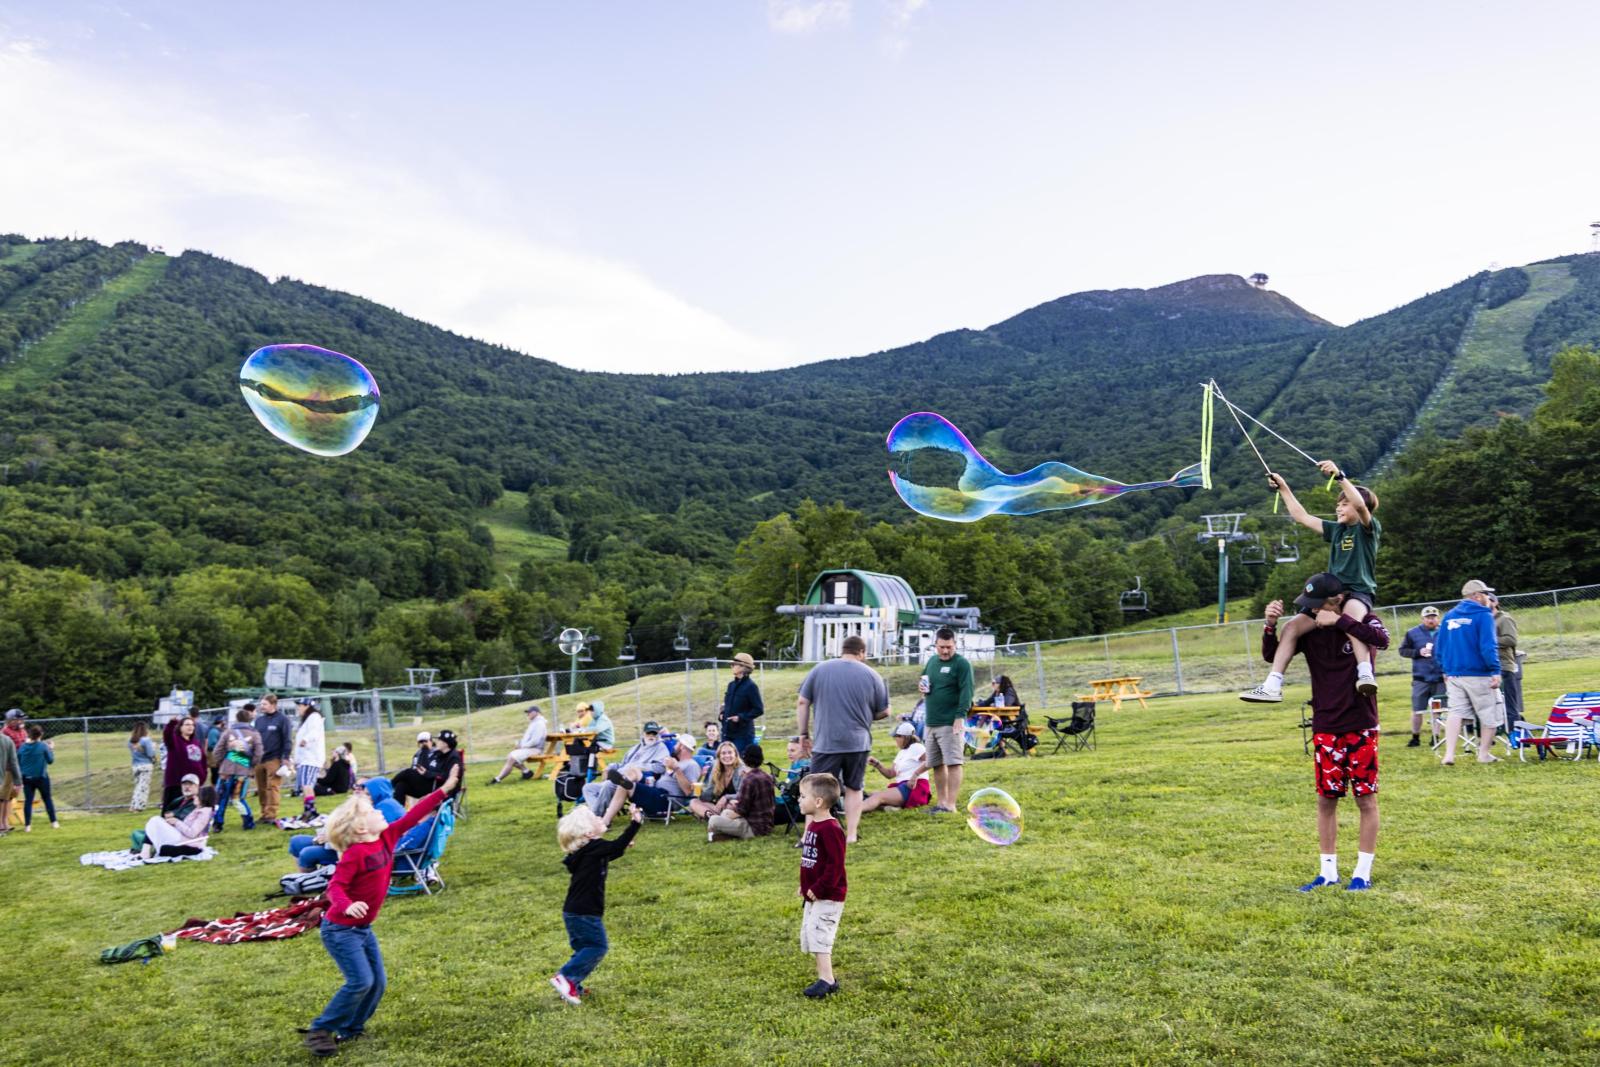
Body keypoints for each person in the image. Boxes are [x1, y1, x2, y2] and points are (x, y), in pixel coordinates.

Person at [1259, 573, 1391, 891]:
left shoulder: (1362, 620)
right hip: (1325, 725)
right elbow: (1272, 655)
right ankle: (1328, 872)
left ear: (1337, 600)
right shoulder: (1308, 627)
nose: (1312, 611)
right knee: (1326, 800)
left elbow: (1382, 640)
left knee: (1366, 800)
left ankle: (1362, 873)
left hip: (1360, 724)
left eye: (1318, 606)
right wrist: (1269, 626)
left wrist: (1341, 622)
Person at [301, 786, 447, 1055]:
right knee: (360, 982)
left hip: (362, 929)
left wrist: (443, 791)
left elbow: (412, 817)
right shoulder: (355, 854)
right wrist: (348, 905)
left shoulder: (387, 838)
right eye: (370, 811)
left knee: (377, 982)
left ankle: (352, 1029)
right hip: (340, 930)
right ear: (359, 828)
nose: (380, 810)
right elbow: (335, 887)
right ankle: (320, 1029)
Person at [1244, 466, 1382, 702]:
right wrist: (1284, 487)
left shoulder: (1367, 529)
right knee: (1291, 628)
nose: (1339, 507)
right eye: (1338, 504)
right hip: (1330, 594)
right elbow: (1302, 516)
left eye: (1344, 503)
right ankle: (1272, 684)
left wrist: (1340, 478)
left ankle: (1365, 674)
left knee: (1351, 622)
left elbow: (1360, 505)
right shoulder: (1337, 530)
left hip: (1358, 592)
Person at [797, 634, 890, 845]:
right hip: (858, 743)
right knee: (854, 788)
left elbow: (803, 702)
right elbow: (884, 711)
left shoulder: (819, 670)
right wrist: (866, 715)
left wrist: (804, 734)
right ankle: (851, 835)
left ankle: (808, 835)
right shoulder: (872, 675)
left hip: (826, 742)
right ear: (862, 652)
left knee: (815, 789)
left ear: (842, 650)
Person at [550, 801, 643, 1006]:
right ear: (589, 834)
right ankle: (565, 977)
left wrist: (622, 845)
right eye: (596, 818)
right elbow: (614, 846)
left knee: (583, 948)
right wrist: (635, 823)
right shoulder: (595, 849)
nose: (601, 818)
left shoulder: (588, 852)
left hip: (574, 911)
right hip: (585, 911)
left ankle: (574, 984)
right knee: (597, 946)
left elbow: (612, 851)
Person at [1436, 579, 1504, 766]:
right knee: (1489, 711)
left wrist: (1444, 668)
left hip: (1454, 674)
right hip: (1479, 673)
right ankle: (1483, 754)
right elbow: (1488, 646)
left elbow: (1439, 646)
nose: (1487, 597)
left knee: (1456, 711)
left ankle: (1449, 755)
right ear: (1476, 596)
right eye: (1484, 594)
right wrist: (1495, 670)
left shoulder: (1449, 615)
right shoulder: (1483, 615)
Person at [797, 772, 847, 998]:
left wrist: (818, 888)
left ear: (818, 802)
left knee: (820, 934)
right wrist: (805, 884)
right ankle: (823, 976)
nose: (799, 800)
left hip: (828, 895)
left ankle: (828, 980)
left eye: (802, 796)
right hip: (815, 893)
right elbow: (812, 861)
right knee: (811, 932)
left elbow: (835, 866)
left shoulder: (831, 829)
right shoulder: (814, 826)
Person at [920, 627, 974, 815]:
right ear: (935, 645)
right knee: (936, 763)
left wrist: (960, 715)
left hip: (950, 722)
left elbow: (967, 691)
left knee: (953, 762)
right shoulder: (932, 662)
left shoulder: (962, 664)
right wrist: (923, 688)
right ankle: (941, 803)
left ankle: (951, 805)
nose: (945, 651)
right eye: (941, 647)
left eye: (949, 647)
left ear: (955, 645)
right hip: (931, 721)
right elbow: (924, 682)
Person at [290, 779, 397, 871]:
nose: (358, 790)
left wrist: (330, 839)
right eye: (356, 786)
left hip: (353, 850)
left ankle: (311, 883)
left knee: (307, 853)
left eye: (363, 789)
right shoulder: (362, 806)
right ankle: (303, 880)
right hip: (339, 843)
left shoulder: (379, 811)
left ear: (377, 792)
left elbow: (363, 837)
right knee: (296, 841)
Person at [582, 722, 670, 822]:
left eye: (654, 734)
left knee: (608, 785)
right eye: (649, 733)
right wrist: (609, 767)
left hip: (633, 780)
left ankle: (595, 818)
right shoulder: (636, 748)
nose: (651, 736)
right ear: (643, 734)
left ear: (658, 735)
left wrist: (639, 767)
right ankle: (597, 814)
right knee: (588, 788)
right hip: (620, 775)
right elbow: (623, 764)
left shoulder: (661, 748)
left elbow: (661, 767)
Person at [1398, 606, 1445, 747]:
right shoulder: (1412, 633)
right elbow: (1403, 650)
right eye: (1428, 617)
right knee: (1417, 709)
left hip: (1440, 678)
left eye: (1434, 617)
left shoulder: (1445, 631)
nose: (1431, 620)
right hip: (1421, 678)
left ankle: (1435, 736)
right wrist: (1418, 652)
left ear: (1438, 618)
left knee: (1438, 709)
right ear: (1422, 619)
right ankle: (1415, 737)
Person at [707, 744, 776, 841]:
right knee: (726, 812)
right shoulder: (767, 776)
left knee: (714, 819)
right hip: (767, 824)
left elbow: (741, 811)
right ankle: (724, 835)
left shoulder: (748, 779)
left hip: (754, 827)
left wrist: (728, 817)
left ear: (744, 759)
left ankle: (716, 835)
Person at [210, 707, 262, 831]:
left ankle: (218, 824)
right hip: (243, 772)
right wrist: (250, 764)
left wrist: (223, 761)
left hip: (226, 771)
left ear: (236, 719)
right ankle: (248, 822)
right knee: (238, 798)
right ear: (249, 720)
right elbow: (259, 754)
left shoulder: (227, 732)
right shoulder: (255, 734)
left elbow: (217, 751)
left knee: (221, 799)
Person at [861, 722, 931, 813]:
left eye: (896, 737)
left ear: (904, 737)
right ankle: (890, 807)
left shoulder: (917, 747)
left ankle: (852, 811)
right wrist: (877, 764)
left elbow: (931, 760)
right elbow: (890, 774)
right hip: (903, 786)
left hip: (915, 787)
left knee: (878, 797)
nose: (895, 739)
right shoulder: (901, 752)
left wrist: (915, 775)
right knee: (871, 794)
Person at [138, 777, 215, 860]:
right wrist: (172, 822)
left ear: (203, 798)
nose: (195, 797)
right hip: (183, 837)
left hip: (188, 842)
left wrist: (176, 822)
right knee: (156, 822)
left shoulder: (204, 813)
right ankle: (146, 851)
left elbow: (192, 833)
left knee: (155, 820)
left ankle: (145, 852)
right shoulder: (198, 809)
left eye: (197, 796)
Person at [390, 731, 463, 805]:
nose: (436, 742)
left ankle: (388, 785)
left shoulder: (453, 758)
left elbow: (447, 777)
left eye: (439, 740)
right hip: (429, 784)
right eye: (420, 742)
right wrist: (425, 769)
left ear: (445, 743)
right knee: (401, 785)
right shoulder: (439, 754)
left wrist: (427, 773)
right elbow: (426, 768)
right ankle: (399, 813)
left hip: (438, 788)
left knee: (408, 772)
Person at [250, 694, 292, 824]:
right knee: (261, 788)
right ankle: (264, 813)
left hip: (274, 758)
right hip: (259, 759)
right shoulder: (259, 721)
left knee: (272, 787)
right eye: (261, 704)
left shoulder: (283, 719)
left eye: (265, 704)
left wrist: (285, 758)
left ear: (273, 705)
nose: (262, 706)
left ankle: (271, 814)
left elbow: (287, 739)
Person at [161, 710, 210, 811]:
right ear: (180, 727)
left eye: (192, 725)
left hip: (194, 784)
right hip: (176, 784)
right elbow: (167, 735)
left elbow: (203, 761)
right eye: (187, 724)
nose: (190, 727)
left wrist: (203, 775)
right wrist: (172, 723)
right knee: (171, 811)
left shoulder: (196, 743)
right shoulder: (174, 741)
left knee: (189, 812)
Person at [489, 705, 549, 784]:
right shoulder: (534, 723)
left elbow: (535, 741)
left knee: (512, 758)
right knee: (510, 756)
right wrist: (520, 745)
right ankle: (527, 772)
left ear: (536, 713)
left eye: (529, 712)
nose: (527, 714)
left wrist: (522, 746)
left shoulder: (539, 724)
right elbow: (528, 739)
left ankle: (497, 779)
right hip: (529, 748)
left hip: (536, 750)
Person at [1490, 595, 1524, 733]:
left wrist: (1489, 640)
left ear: (1496, 602)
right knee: (1490, 702)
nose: (1488, 602)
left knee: (1510, 701)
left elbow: (1511, 640)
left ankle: (1515, 731)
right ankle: (1496, 728)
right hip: (1488, 668)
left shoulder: (1504, 619)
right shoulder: (1484, 620)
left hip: (1504, 665)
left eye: (1491, 600)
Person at [720, 652, 765, 754]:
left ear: (743, 667)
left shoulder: (751, 687)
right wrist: (722, 714)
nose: (731, 666)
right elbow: (727, 705)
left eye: (734, 664)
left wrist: (740, 717)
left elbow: (759, 709)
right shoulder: (731, 685)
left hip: (742, 735)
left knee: (738, 764)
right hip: (727, 732)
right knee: (724, 763)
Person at [688, 741, 744, 821]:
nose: (727, 755)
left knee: (732, 804)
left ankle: (714, 818)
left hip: (733, 804)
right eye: (723, 753)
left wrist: (726, 797)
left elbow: (743, 794)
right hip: (718, 807)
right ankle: (713, 818)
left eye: (730, 752)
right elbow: (708, 797)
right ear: (719, 756)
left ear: (735, 755)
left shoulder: (741, 770)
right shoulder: (717, 771)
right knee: (693, 802)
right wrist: (699, 790)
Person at [18, 724, 58, 831]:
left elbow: (18, 761)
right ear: (41, 734)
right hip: (41, 777)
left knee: (28, 801)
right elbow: (50, 761)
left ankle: (27, 826)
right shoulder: (43, 746)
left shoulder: (22, 747)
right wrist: (51, 749)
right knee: (47, 799)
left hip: (26, 778)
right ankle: (54, 822)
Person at [293, 701, 327, 809]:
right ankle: (308, 808)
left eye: (300, 705)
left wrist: (305, 739)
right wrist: (296, 760)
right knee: (305, 785)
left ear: (307, 706)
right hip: (305, 758)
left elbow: (314, 732)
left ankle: (311, 810)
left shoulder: (314, 716)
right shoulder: (308, 719)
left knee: (307, 784)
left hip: (311, 758)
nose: (298, 708)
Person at [128, 722, 159, 812]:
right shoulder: (146, 740)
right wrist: (153, 747)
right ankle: (139, 806)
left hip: (135, 765)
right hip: (146, 765)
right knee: (143, 787)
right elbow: (150, 753)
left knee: (137, 786)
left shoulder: (131, 740)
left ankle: (133, 805)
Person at [0, 719, 20, 835]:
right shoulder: (8, 740)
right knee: (3, 799)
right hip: (3, 777)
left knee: (4, 799)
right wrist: (18, 781)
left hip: (4, 776)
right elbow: (13, 762)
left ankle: (3, 825)